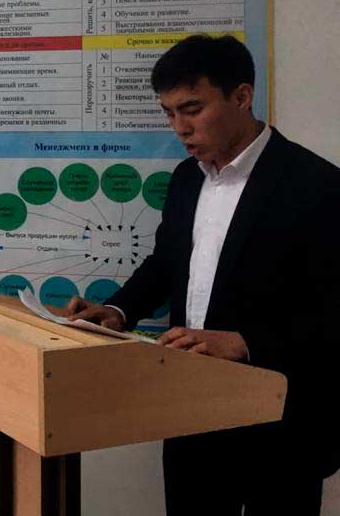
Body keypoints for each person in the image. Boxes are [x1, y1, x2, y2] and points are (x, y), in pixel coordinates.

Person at [67, 34, 340, 515]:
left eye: (192, 109)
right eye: (169, 113)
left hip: (282, 422)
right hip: (190, 410)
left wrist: (244, 342)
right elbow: (166, 263)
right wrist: (117, 310)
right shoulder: (186, 179)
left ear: (242, 96)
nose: (180, 127)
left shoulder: (317, 184)